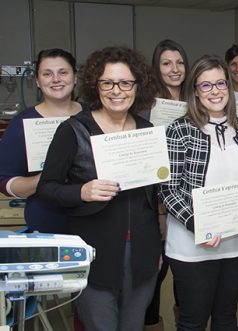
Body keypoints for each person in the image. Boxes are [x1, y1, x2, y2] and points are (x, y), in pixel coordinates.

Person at [36, 46, 161, 330]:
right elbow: (47, 188)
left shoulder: (146, 129)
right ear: (97, 86)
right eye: (107, 82)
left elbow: (152, 197)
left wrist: (158, 246)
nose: (117, 90)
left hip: (142, 252)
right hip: (94, 252)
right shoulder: (73, 130)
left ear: (136, 87)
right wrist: (82, 191)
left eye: (125, 82)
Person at [158, 55, 238, 331]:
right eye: (206, 86)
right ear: (195, 90)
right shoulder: (179, 130)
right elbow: (168, 190)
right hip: (193, 246)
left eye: (220, 83)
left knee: (227, 317)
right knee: (193, 321)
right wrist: (199, 225)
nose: (215, 91)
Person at [0, 48, 84, 234]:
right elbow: (5, 183)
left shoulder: (94, 116)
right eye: (47, 74)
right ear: (38, 81)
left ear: (75, 77)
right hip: (48, 225)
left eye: (63, 72)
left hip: (97, 224)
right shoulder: (21, 124)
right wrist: (45, 179)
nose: (56, 79)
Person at [144, 38, 190, 331]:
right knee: (155, 275)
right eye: (166, 63)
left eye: (180, 62)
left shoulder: (197, 102)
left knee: (186, 279)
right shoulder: (145, 106)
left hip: (190, 201)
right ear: (156, 68)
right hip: (155, 202)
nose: (175, 69)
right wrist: (161, 212)